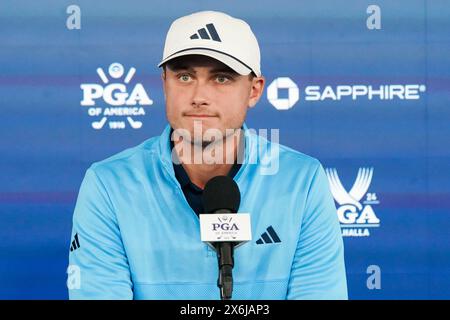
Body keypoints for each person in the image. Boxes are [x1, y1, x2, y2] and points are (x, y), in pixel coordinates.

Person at [68, 10, 348, 300]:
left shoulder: (302, 181)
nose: (199, 95)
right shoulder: (109, 184)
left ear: (254, 90)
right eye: (185, 76)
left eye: (222, 78)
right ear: (165, 84)